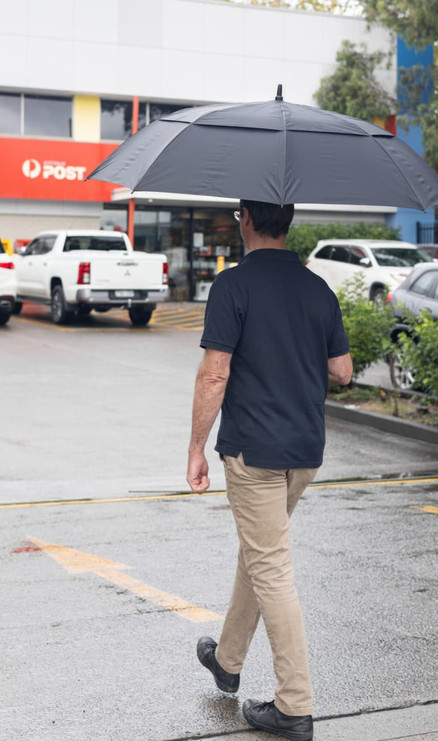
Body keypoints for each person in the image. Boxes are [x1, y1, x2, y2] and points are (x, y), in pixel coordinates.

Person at [187, 199, 352, 741]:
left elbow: (215, 375)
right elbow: (342, 371)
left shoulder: (233, 287)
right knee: (260, 553)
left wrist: (195, 447)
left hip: (254, 450)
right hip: (304, 450)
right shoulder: (317, 288)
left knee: (270, 566)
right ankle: (228, 660)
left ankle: (294, 706)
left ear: (247, 221)